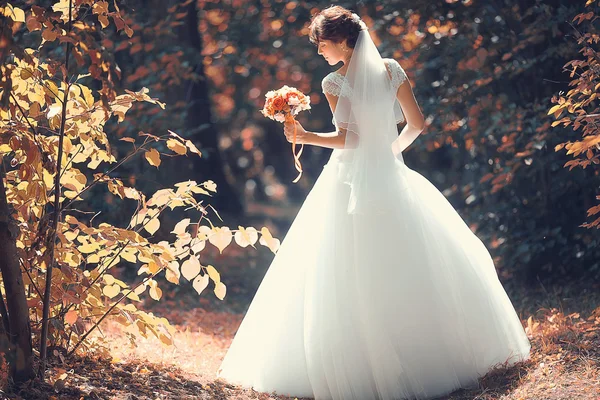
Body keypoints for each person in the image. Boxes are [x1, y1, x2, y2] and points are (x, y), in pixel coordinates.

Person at [217, 6, 530, 400]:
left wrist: (305, 136)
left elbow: (350, 139)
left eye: (324, 44)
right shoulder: (392, 68)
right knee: (409, 263)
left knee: (343, 266)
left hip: (348, 180)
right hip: (391, 176)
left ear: (345, 41)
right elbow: (417, 124)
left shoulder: (334, 82)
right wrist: (391, 156)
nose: (320, 52)